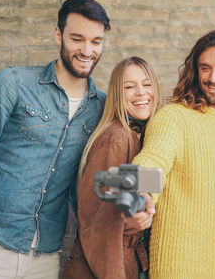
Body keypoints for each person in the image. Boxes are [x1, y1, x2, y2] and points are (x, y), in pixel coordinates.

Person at [0, 0, 109, 278]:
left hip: (46, 255)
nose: (87, 50)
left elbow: (94, 180)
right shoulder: (14, 83)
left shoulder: (102, 109)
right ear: (58, 35)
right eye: (77, 39)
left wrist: (145, 188)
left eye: (96, 41)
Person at [132, 29, 215, 278]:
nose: (213, 77)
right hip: (180, 268)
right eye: (205, 68)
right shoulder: (174, 117)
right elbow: (153, 161)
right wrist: (140, 194)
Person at [62, 57, 161, 278]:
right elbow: (97, 219)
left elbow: (122, 189)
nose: (141, 92)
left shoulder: (143, 138)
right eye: (129, 87)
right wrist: (128, 220)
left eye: (146, 84)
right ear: (117, 94)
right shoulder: (116, 138)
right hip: (104, 267)